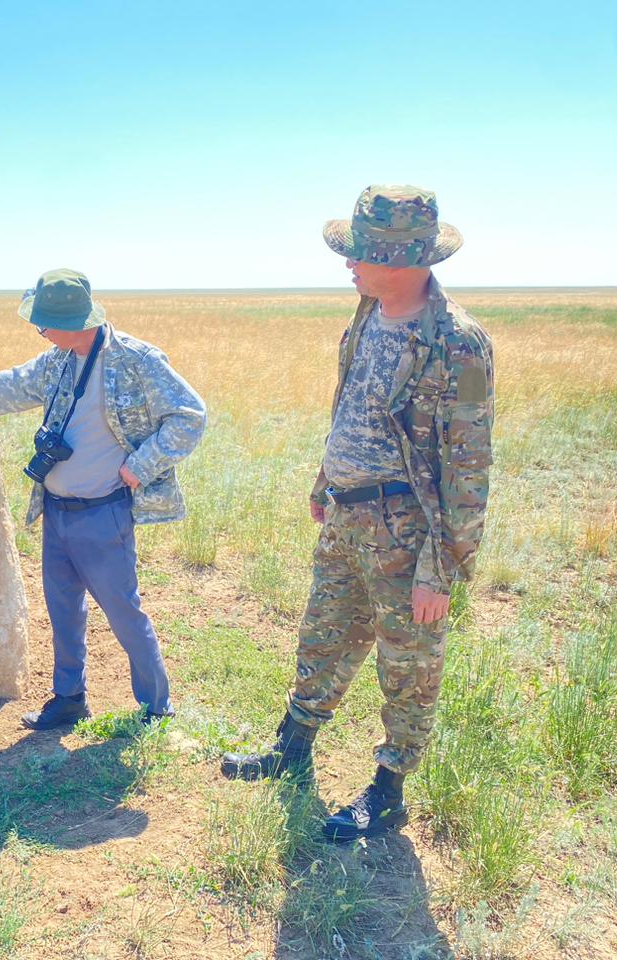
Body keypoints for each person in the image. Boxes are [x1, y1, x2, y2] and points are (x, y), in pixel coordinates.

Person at [221, 186, 495, 842]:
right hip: (347, 516)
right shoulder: (367, 314)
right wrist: (327, 479)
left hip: (408, 532)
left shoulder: (461, 344)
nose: (349, 264)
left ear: (403, 261)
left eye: (362, 255)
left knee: (409, 663)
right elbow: (352, 404)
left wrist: (442, 566)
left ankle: (390, 789)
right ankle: (293, 748)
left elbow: (470, 463)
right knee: (323, 635)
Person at [0, 268, 206, 729]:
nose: (39, 331)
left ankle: (156, 707)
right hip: (57, 512)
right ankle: (69, 699)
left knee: (124, 613)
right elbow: (7, 387)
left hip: (104, 514)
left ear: (74, 321)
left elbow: (189, 415)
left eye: (43, 323)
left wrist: (140, 467)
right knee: (64, 612)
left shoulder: (135, 359)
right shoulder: (58, 360)